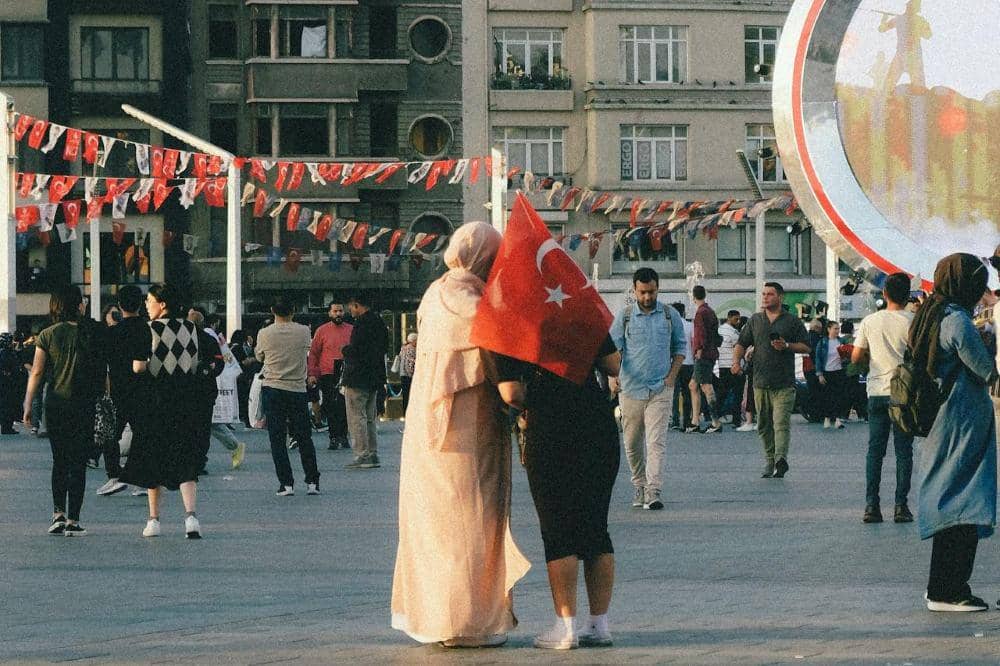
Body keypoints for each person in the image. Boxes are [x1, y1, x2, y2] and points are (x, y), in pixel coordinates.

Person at [391, 222, 530, 648]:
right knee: (474, 521)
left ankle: (434, 619)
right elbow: (505, 360)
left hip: (426, 433)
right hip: (470, 432)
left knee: (434, 525)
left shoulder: (433, 296)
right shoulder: (477, 305)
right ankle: (472, 621)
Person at [497, 332, 622, 650]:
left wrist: (535, 398)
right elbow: (614, 364)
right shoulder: (580, 311)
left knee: (558, 530)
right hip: (597, 423)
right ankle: (599, 625)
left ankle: (565, 627)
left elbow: (511, 392)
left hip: (549, 427)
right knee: (596, 528)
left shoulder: (515, 321)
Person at [909, 254, 996, 612]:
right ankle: (950, 590)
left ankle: (939, 586)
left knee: (947, 496)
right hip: (962, 422)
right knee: (965, 501)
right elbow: (985, 369)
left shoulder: (931, 313)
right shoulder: (958, 320)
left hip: (941, 421)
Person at [119, 284, 203, 539]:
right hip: (185, 401)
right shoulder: (190, 328)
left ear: (162, 304)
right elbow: (194, 363)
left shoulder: (149, 329)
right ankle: (191, 518)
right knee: (186, 460)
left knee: (153, 462)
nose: (146, 305)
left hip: (156, 402)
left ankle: (154, 520)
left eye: (150, 300)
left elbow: (138, 367)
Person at [23, 285, 104, 535]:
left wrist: (28, 403)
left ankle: (57, 514)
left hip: (56, 403)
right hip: (84, 404)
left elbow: (37, 372)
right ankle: (73, 520)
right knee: (78, 462)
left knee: (59, 460)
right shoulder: (91, 331)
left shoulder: (47, 334)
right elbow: (103, 369)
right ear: (77, 304)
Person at [609, 268, 686, 511]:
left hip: (660, 388)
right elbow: (613, 350)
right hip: (630, 388)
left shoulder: (669, 315)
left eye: (651, 291)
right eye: (642, 292)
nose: (647, 297)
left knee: (656, 442)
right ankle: (639, 485)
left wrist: (671, 378)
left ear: (658, 288)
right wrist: (612, 376)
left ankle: (653, 490)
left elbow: (680, 349)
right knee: (632, 442)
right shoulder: (625, 316)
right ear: (634, 290)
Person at [850, 272, 915, 524]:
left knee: (875, 451)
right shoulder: (913, 321)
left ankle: (872, 506)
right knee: (904, 452)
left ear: (885, 294)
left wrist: (871, 363)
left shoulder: (870, 321)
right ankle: (901, 506)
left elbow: (856, 357)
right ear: (908, 296)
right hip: (904, 394)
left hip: (877, 392)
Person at [732, 282, 810, 478]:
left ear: (780, 297)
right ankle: (769, 459)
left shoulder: (792, 321)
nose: (765, 297)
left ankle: (780, 459)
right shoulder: (755, 320)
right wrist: (736, 362)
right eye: (764, 294)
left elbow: (807, 347)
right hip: (760, 381)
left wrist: (787, 346)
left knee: (781, 423)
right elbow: (741, 343)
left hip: (784, 383)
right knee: (764, 425)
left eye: (770, 294)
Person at [255, 296, 320, 496]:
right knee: (304, 437)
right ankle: (312, 481)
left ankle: (286, 484)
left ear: (272, 311)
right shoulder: (304, 331)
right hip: (297, 388)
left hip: (273, 387)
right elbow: (307, 350)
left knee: (277, 438)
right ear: (293, 311)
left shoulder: (264, 333)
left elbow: (259, 356)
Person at [94, 286, 149, 497]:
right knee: (142, 434)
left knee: (110, 434)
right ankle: (140, 479)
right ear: (140, 304)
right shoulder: (146, 329)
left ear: (119, 305)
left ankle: (114, 476)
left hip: (117, 390)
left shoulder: (112, 332)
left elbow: (102, 363)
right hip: (142, 389)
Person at [342, 291, 389, 470]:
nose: (350, 309)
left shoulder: (360, 324)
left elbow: (356, 350)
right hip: (375, 376)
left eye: (351, 306)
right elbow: (384, 347)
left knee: (356, 417)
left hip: (358, 376)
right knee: (370, 417)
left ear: (357, 305)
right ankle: (372, 453)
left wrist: (345, 350)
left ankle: (362, 454)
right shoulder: (379, 322)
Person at [187, 308, 230, 473]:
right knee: (203, 428)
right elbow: (220, 363)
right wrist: (209, 371)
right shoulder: (209, 340)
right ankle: (200, 461)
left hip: (186, 390)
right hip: (206, 390)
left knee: (188, 427)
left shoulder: (183, 339)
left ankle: (188, 460)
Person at [307, 302, 353, 450]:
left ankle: (343, 435)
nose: (338, 314)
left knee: (345, 405)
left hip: (346, 373)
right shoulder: (321, 331)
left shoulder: (351, 329)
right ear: (329, 313)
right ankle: (333, 436)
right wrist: (312, 373)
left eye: (340, 311)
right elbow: (314, 354)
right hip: (327, 373)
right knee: (330, 405)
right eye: (335, 311)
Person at [688, 285, 723, 434]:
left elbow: (700, 333)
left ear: (693, 297)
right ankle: (695, 421)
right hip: (711, 352)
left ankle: (715, 422)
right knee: (693, 385)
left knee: (706, 386)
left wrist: (699, 350)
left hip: (703, 354)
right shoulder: (710, 311)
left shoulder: (700, 313)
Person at [813, 321, 849, 429]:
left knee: (839, 395)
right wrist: (819, 374)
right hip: (827, 371)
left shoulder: (841, 341)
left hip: (839, 370)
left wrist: (845, 357)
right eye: (835, 328)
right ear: (829, 329)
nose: (837, 331)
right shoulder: (822, 342)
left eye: (838, 329)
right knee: (827, 396)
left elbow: (847, 356)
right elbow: (818, 358)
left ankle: (838, 419)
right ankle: (827, 418)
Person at [670, 302, 695, 432]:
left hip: (673, 364)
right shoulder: (690, 325)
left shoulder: (670, 326)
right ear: (683, 312)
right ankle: (686, 421)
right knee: (687, 393)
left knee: (673, 393)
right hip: (688, 363)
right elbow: (694, 344)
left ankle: (674, 420)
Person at [717, 310, 744, 428]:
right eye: (736, 319)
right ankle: (736, 420)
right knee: (738, 394)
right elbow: (739, 348)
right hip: (733, 366)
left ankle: (717, 416)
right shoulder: (734, 333)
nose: (738, 322)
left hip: (722, 365)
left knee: (722, 393)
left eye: (739, 319)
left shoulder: (719, 330)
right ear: (729, 318)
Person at [0, 332, 21, 434]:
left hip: (6, 383)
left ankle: (7, 426)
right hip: (8, 383)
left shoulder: (6, 352)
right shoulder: (6, 353)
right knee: (8, 405)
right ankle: (7, 427)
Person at [398, 333, 417, 414]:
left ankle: (404, 412)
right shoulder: (412, 349)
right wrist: (412, 374)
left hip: (402, 374)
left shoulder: (403, 348)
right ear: (413, 341)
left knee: (405, 395)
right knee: (410, 395)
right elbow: (411, 363)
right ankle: (410, 412)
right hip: (409, 375)